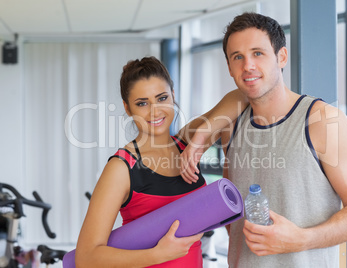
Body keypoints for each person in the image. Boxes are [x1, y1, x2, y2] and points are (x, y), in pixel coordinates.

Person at [180, 12, 347, 267]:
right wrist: (206, 130)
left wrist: (302, 240)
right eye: (237, 57)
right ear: (229, 67)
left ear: (281, 57)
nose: (247, 65)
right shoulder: (230, 124)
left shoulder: (324, 122)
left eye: (258, 53)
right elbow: (176, 143)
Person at [75, 56, 247, 268]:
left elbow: (241, 95)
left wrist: (201, 136)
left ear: (173, 96)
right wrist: (158, 254)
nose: (155, 111)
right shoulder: (121, 168)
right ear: (128, 108)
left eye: (162, 98)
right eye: (142, 103)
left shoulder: (186, 142)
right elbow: (85, 258)